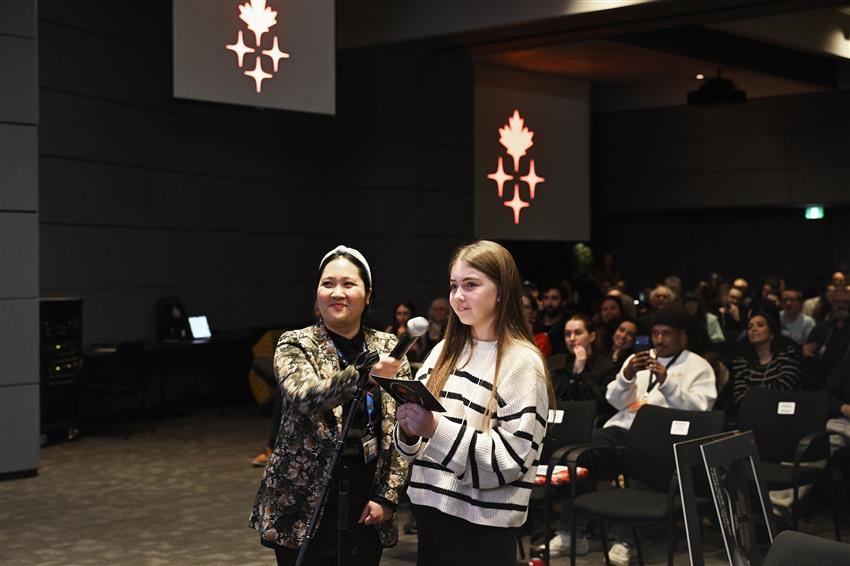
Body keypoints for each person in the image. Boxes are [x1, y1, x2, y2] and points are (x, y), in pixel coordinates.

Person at [393, 240, 553, 566]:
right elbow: (409, 447)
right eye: (454, 286)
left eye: (471, 285)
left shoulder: (521, 362)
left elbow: (511, 460)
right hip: (429, 509)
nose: (458, 296)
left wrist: (434, 428)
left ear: (501, 291)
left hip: (482, 525)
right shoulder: (442, 352)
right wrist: (409, 429)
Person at [249, 245, 410, 566]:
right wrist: (363, 376)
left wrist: (388, 496)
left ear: (367, 295)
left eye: (349, 284)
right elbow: (305, 395)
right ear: (317, 293)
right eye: (328, 283)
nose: (337, 292)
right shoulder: (295, 342)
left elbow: (401, 431)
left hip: (366, 499)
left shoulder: (389, 348)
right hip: (302, 502)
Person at [551, 307, 717, 564]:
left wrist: (667, 382)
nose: (659, 340)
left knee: (641, 456)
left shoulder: (698, 366)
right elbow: (614, 400)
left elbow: (701, 410)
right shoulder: (639, 359)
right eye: (655, 333)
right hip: (622, 430)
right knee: (583, 453)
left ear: (682, 337)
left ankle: (624, 539)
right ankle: (573, 533)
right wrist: (627, 376)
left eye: (666, 334)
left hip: (665, 439)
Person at [731, 310, 802, 407]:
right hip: (751, 413)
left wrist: (752, 392)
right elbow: (739, 396)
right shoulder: (742, 361)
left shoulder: (788, 355)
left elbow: (785, 388)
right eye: (750, 327)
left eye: (760, 325)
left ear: (772, 332)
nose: (754, 329)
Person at [554, 314, 616, 418]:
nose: (572, 338)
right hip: (557, 419)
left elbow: (602, 405)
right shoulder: (555, 362)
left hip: (590, 421)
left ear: (592, 336)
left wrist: (582, 372)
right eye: (567, 334)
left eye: (578, 333)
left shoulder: (607, 368)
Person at [534, 281, 572, 355]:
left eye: (554, 298)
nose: (549, 302)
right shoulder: (535, 321)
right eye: (546, 298)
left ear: (563, 302)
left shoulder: (568, 325)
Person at [522, 291, 552, 357]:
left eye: (526, 307)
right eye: (518, 306)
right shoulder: (504, 334)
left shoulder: (542, 339)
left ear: (534, 313)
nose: (521, 310)